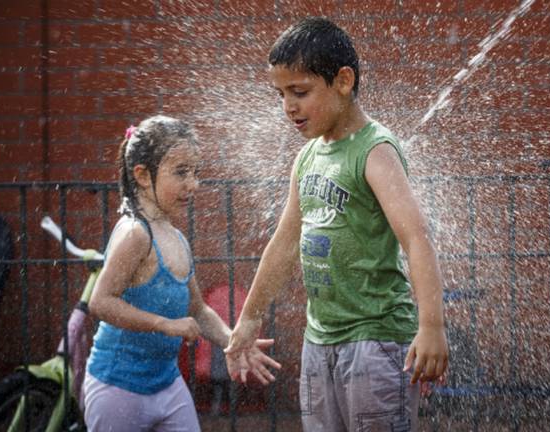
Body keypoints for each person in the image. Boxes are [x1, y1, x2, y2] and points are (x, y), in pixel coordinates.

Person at [224, 17, 448, 431]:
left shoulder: (374, 150)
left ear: (343, 81)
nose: (288, 107)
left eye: (300, 92)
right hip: (320, 339)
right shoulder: (309, 157)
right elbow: (284, 243)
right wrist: (249, 319)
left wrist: (431, 325)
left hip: (376, 339)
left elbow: (416, 237)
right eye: (281, 94)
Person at [84, 115, 281, 431]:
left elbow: (198, 311)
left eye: (195, 172)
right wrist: (164, 324)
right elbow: (101, 302)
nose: (193, 184)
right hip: (118, 388)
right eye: (181, 172)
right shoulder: (135, 234)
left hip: (167, 385)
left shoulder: (176, 238)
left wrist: (232, 341)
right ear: (143, 176)